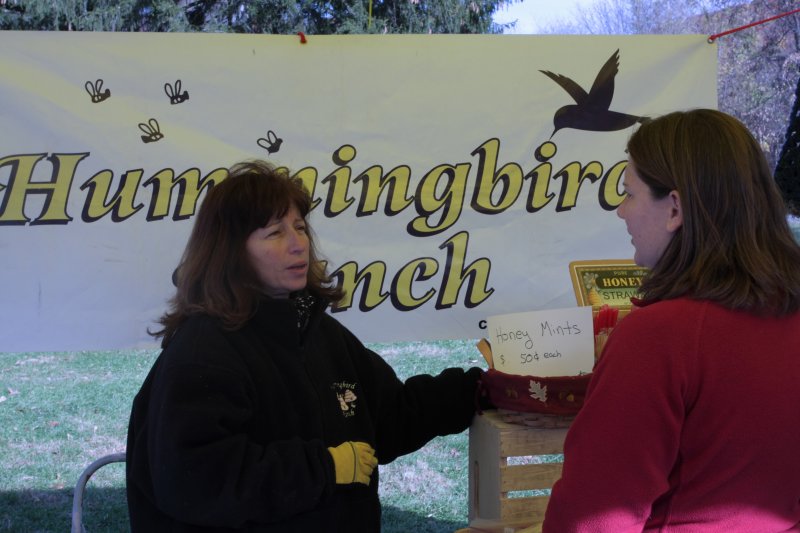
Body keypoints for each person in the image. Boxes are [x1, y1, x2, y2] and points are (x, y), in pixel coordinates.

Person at [126, 160, 486, 533]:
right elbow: (194, 480)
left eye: (299, 227)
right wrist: (325, 468)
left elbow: (391, 417)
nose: (298, 244)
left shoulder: (319, 333)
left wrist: (479, 391)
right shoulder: (204, 350)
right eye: (274, 233)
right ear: (230, 250)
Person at [542, 109, 800, 532]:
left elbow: (594, 519)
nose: (622, 212)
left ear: (675, 208)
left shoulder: (659, 337)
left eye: (629, 193)